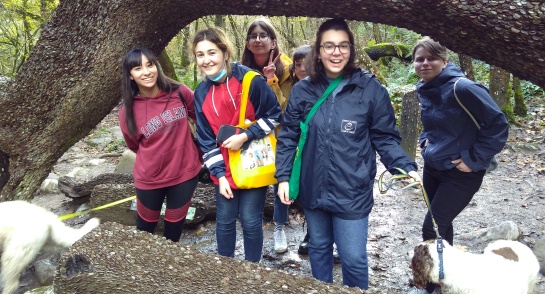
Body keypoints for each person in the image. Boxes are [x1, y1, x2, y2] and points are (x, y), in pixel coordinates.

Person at [275, 18, 420, 290]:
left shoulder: (370, 89)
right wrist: (283, 176)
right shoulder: (303, 91)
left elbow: (384, 136)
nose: (336, 52)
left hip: (352, 188)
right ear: (318, 51)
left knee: (353, 257)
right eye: (329, 46)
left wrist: (403, 166)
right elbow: (289, 136)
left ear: (351, 50)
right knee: (318, 247)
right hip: (312, 187)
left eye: (343, 46)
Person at [408, 37, 509, 294]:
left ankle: (429, 286)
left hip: (461, 174)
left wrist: (473, 159)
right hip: (434, 167)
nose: (425, 63)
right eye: (420, 59)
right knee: (443, 224)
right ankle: (443, 278)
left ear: (445, 61)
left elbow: (498, 125)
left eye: (432, 58)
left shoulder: (462, 88)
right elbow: (432, 125)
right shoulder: (426, 87)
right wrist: (424, 142)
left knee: (431, 226)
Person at [191, 27, 281, 263]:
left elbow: (274, 116)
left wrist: (245, 135)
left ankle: (252, 269)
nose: (206, 60)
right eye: (200, 55)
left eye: (212, 52)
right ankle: (226, 270)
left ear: (224, 52)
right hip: (224, 167)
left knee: (251, 219)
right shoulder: (200, 92)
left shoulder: (250, 80)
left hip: (253, 161)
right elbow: (205, 138)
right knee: (225, 220)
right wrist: (219, 175)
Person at [118, 48, 201, 243]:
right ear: (130, 75)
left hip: (185, 174)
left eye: (150, 65)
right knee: (145, 229)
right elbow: (133, 145)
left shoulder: (179, 92)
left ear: (157, 66)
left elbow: (200, 120)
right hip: (150, 179)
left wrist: (198, 152)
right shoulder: (127, 111)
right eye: (138, 68)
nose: (146, 72)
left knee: (173, 232)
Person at [241, 17, 293, 254]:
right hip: (252, 136)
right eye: (253, 36)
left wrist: (271, 79)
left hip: (281, 136)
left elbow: (285, 110)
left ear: (273, 42)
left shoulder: (289, 69)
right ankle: (252, 230)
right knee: (255, 179)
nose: (258, 40)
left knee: (280, 179)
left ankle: (279, 226)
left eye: (264, 36)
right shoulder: (241, 70)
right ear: (248, 43)